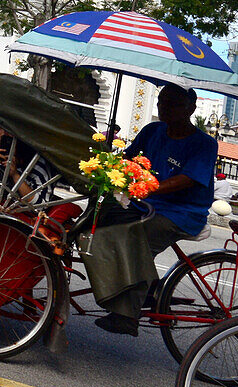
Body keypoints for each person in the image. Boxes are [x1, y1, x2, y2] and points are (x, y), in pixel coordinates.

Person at [86, 84, 218, 337]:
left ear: (190, 108)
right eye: (161, 102)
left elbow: (188, 179)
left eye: (173, 103)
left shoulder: (204, 144)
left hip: (181, 212)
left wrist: (150, 187)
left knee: (137, 237)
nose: (164, 108)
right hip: (144, 204)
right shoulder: (152, 130)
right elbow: (128, 159)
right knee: (100, 218)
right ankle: (149, 288)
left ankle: (126, 315)